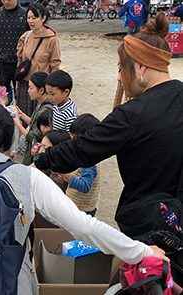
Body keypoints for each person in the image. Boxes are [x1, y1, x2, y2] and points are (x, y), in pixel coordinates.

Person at [0, 104, 167, 295]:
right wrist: (142, 252)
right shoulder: (26, 177)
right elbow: (83, 226)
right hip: (7, 284)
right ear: (8, 142)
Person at [33, 13, 183, 285]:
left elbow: (83, 149)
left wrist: (43, 159)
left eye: (120, 67)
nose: (118, 76)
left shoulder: (133, 114)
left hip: (152, 227)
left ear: (140, 67)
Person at [16, 3, 61, 118]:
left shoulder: (51, 39)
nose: (30, 21)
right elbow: (20, 60)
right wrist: (17, 81)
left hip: (41, 87)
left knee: (40, 119)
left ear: (43, 18)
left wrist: (52, 87)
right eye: (29, 18)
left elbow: (55, 65)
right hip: (25, 84)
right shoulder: (26, 36)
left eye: (34, 18)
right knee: (23, 116)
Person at [0, 0, 28, 104]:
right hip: (2, 62)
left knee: (21, 96)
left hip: (20, 62)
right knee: (0, 97)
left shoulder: (25, 14)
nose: (6, 2)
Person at [58, 114, 101, 217]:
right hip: (76, 205)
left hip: (82, 210)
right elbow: (79, 175)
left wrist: (65, 174)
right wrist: (67, 177)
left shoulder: (89, 161)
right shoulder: (86, 153)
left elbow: (85, 186)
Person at [13, 72, 53, 165]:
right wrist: (21, 115)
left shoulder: (46, 110)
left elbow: (33, 135)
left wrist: (18, 124)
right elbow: (34, 124)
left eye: (31, 88)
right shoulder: (40, 104)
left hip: (38, 152)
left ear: (41, 90)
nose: (28, 91)